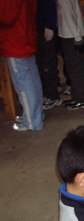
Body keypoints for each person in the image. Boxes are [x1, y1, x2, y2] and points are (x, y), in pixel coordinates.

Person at [0, 0, 44, 131]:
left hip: (15, 42)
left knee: (23, 84)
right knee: (33, 80)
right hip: (26, 37)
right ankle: (35, 115)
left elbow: (6, 17)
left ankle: (31, 121)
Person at [57, 0, 84, 110]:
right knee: (74, 69)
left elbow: (68, 15)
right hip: (72, 34)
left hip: (70, 36)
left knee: (75, 69)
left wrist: (77, 37)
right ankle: (77, 98)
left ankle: (81, 100)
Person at [36, 0, 61, 110]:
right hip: (37, 26)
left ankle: (52, 96)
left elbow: (50, 5)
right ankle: (50, 92)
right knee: (42, 63)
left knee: (47, 63)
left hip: (45, 26)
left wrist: (50, 26)